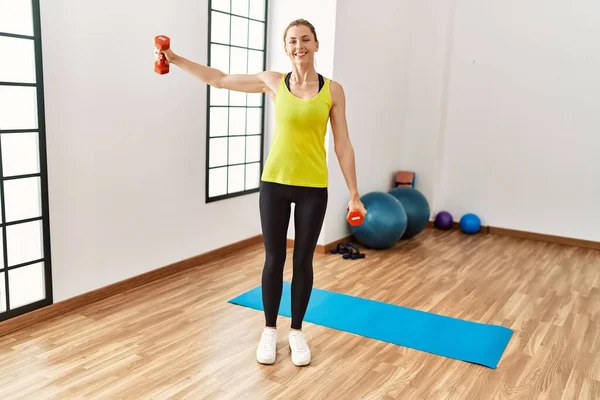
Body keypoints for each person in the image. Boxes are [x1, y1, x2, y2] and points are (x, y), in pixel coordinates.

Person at [156, 18, 366, 367]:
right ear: (286, 49)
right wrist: (174, 58)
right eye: (292, 41)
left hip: (314, 185)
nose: (299, 46)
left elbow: (343, 144)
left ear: (315, 45)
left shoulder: (333, 91)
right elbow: (219, 79)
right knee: (274, 258)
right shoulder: (272, 82)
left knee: (303, 261)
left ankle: (297, 332)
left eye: (305, 40)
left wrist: (355, 193)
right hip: (275, 184)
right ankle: (269, 330)